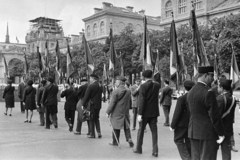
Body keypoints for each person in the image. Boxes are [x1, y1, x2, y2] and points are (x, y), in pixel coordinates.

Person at [187, 66, 225, 160]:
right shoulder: (208, 92)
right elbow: (214, 115)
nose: (213, 79)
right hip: (207, 133)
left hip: (193, 132)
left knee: (196, 158)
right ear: (205, 75)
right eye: (211, 76)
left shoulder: (191, 91)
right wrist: (221, 133)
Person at [133, 70, 160, 157]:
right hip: (154, 112)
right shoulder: (157, 85)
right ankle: (155, 151)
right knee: (154, 132)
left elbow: (142, 100)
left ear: (143, 77)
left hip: (144, 113)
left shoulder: (142, 86)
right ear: (152, 75)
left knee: (140, 131)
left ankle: (138, 148)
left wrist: (140, 113)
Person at [170, 80, 195, 160]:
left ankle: (186, 158)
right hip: (192, 123)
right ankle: (191, 157)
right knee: (189, 141)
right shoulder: (195, 97)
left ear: (185, 88)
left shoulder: (182, 98)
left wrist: (173, 125)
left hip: (181, 124)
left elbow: (177, 112)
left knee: (178, 140)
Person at [106, 76, 134, 147]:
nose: (115, 82)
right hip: (125, 111)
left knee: (115, 126)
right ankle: (129, 138)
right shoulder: (128, 91)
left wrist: (108, 112)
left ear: (120, 82)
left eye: (116, 81)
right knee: (126, 126)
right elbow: (129, 101)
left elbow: (112, 103)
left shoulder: (116, 91)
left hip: (117, 111)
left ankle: (115, 141)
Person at [217, 79, 237, 159]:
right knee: (226, 152)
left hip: (219, 130)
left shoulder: (220, 99)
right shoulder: (233, 98)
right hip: (228, 129)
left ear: (221, 88)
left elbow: (216, 116)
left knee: (212, 151)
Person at [82, 74, 103, 138]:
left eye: (90, 78)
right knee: (97, 118)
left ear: (94, 79)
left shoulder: (90, 86)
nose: (89, 80)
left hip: (92, 104)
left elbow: (86, 96)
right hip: (98, 104)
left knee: (91, 118)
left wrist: (83, 104)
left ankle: (92, 134)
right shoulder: (100, 86)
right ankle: (99, 132)